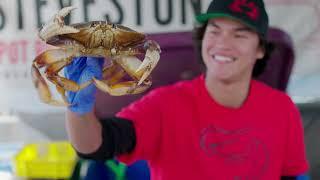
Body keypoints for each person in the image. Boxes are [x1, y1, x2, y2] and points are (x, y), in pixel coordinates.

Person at [64, 0, 309, 179]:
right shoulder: (165, 104)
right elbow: (96, 145)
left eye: (240, 35)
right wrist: (78, 110)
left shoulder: (281, 108)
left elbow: (290, 175)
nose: (223, 43)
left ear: (260, 50)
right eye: (215, 31)